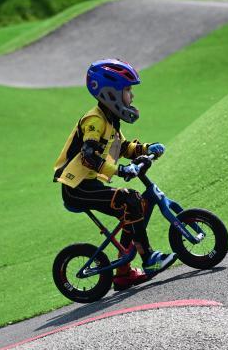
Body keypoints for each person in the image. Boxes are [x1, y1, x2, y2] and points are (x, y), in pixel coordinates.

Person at [53, 58, 176, 291]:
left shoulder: (110, 119)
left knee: (133, 206)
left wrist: (146, 149)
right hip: (76, 188)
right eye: (128, 90)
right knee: (131, 199)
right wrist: (121, 170)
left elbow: (122, 147)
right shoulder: (95, 120)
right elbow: (89, 156)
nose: (132, 96)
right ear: (111, 93)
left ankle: (123, 274)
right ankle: (149, 258)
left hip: (90, 185)